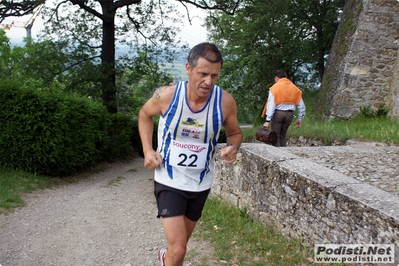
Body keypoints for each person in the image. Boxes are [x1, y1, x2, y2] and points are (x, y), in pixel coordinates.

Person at [138, 42, 242, 266]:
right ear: (188, 68)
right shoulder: (166, 95)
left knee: (179, 249)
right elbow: (144, 115)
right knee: (179, 248)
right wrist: (148, 150)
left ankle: (166, 258)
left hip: (200, 183)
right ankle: (171, 256)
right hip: (169, 178)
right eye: (203, 74)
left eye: (214, 76)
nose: (208, 82)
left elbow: (235, 134)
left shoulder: (225, 102)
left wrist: (232, 148)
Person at [261, 70, 306, 147]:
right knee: (283, 135)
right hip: (289, 114)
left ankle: (277, 156)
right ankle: (284, 155)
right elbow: (301, 106)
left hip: (278, 114)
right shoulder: (295, 88)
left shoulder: (275, 88)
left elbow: (271, 104)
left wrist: (267, 120)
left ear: (276, 78)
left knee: (275, 136)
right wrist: (299, 118)